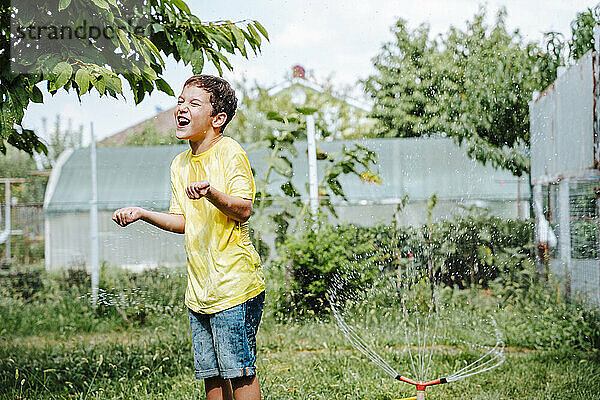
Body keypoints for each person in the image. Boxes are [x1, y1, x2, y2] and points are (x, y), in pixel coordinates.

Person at [112, 75, 265, 400]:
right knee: (211, 376)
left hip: (233, 287)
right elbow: (184, 221)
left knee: (238, 372)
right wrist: (143, 213)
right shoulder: (180, 164)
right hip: (199, 290)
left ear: (217, 119)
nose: (182, 108)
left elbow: (244, 209)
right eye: (181, 101)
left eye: (194, 103)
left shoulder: (229, 153)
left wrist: (212, 194)